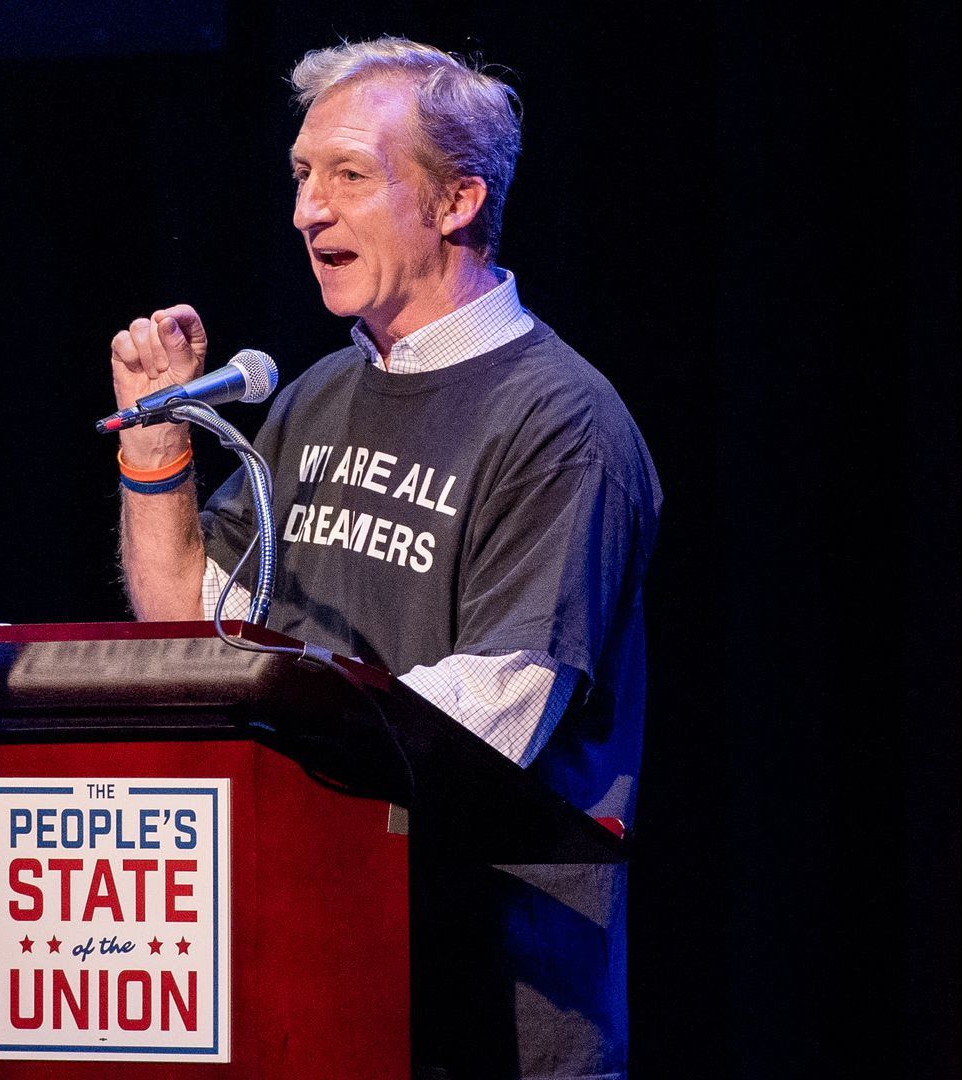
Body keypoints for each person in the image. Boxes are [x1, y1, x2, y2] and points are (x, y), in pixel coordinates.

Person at [108, 37, 659, 1080]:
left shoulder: (562, 423)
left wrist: (271, 775)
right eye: (303, 177)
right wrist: (155, 453)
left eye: (350, 176)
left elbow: (488, 718)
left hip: (488, 1021)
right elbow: (192, 623)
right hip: (312, 996)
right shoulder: (314, 397)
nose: (307, 211)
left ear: (456, 203)